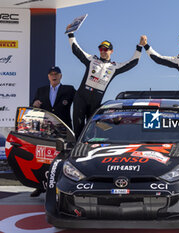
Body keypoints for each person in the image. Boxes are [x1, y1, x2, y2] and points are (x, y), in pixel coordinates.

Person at [67, 32, 142, 138]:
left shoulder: (114, 67)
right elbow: (76, 50)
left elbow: (133, 63)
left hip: (95, 101)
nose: (103, 51)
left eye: (105, 49)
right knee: (78, 127)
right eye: (101, 49)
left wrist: (139, 47)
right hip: (81, 97)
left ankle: (88, 150)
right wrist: (71, 34)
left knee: (92, 129)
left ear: (111, 51)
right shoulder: (92, 60)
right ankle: (76, 149)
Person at [31, 66, 75, 197]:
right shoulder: (41, 90)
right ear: (48, 76)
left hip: (64, 130)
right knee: (42, 159)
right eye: (51, 74)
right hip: (46, 131)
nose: (53, 76)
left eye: (56, 74)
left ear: (61, 76)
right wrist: (34, 104)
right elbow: (33, 105)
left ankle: (64, 187)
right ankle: (40, 186)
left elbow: (80, 101)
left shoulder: (69, 89)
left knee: (63, 159)